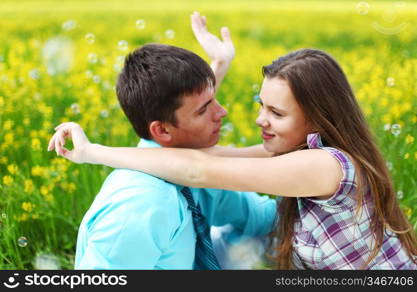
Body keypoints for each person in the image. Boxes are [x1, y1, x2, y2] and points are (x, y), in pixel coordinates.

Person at [49, 18, 417, 269]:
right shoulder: (301, 152)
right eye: (262, 106)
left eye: (276, 112)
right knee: (230, 234)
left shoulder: (325, 166)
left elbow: (198, 167)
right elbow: (193, 155)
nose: (259, 120)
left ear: (317, 118)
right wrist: (216, 69)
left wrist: (91, 152)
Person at [52, 14, 277, 270]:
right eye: (204, 110)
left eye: (214, 99)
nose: (222, 112)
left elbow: (260, 218)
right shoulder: (142, 206)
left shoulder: (199, 169)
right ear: (162, 131)